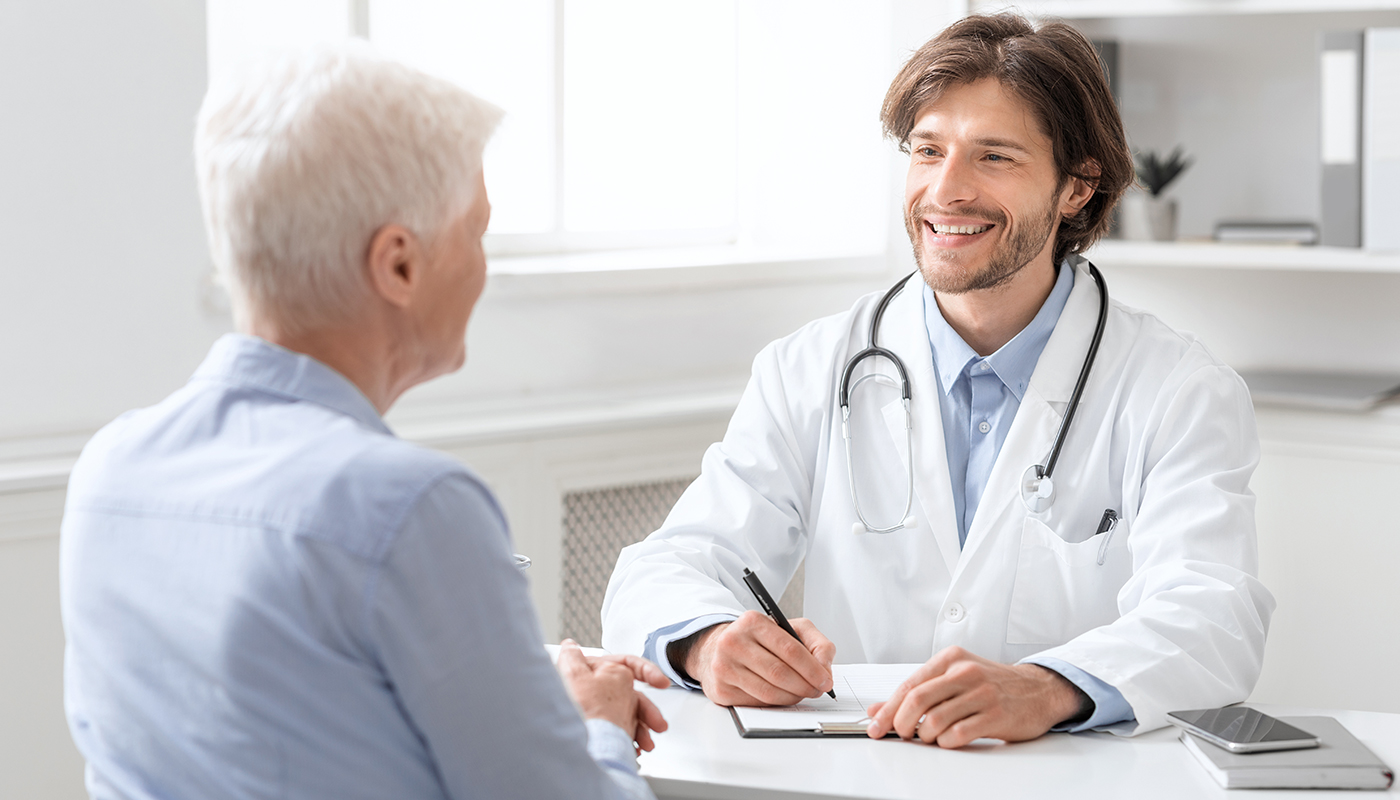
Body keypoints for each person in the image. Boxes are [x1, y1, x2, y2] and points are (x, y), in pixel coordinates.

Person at [601, 13, 1275, 748]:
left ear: (1078, 186)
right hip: (860, 774)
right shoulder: (810, 367)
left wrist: (1049, 687)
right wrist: (707, 642)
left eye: (993, 157)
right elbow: (668, 566)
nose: (945, 191)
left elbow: (1214, 614)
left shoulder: (1178, 389)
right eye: (927, 151)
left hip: (1069, 781)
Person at [60, 43, 666, 800]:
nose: (484, 266)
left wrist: (510, 684)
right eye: (476, 231)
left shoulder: (110, 470)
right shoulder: (411, 507)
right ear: (399, 265)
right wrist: (595, 727)